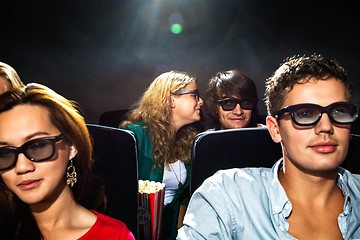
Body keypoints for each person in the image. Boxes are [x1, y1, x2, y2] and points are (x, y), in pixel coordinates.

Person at [177, 55, 360, 239]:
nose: (326, 126)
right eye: (304, 114)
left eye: (339, 112)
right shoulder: (226, 195)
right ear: (275, 129)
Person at [0, 83, 135, 240]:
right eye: (4, 153)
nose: (22, 167)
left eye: (38, 146)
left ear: (72, 146)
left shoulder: (113, 236)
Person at [120, 71, 203, 239]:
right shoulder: (136, 136)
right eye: (195, 95)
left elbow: (183, 201)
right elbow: (119, 194)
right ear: (172, 100)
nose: (201, 101)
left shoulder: (189, 142)